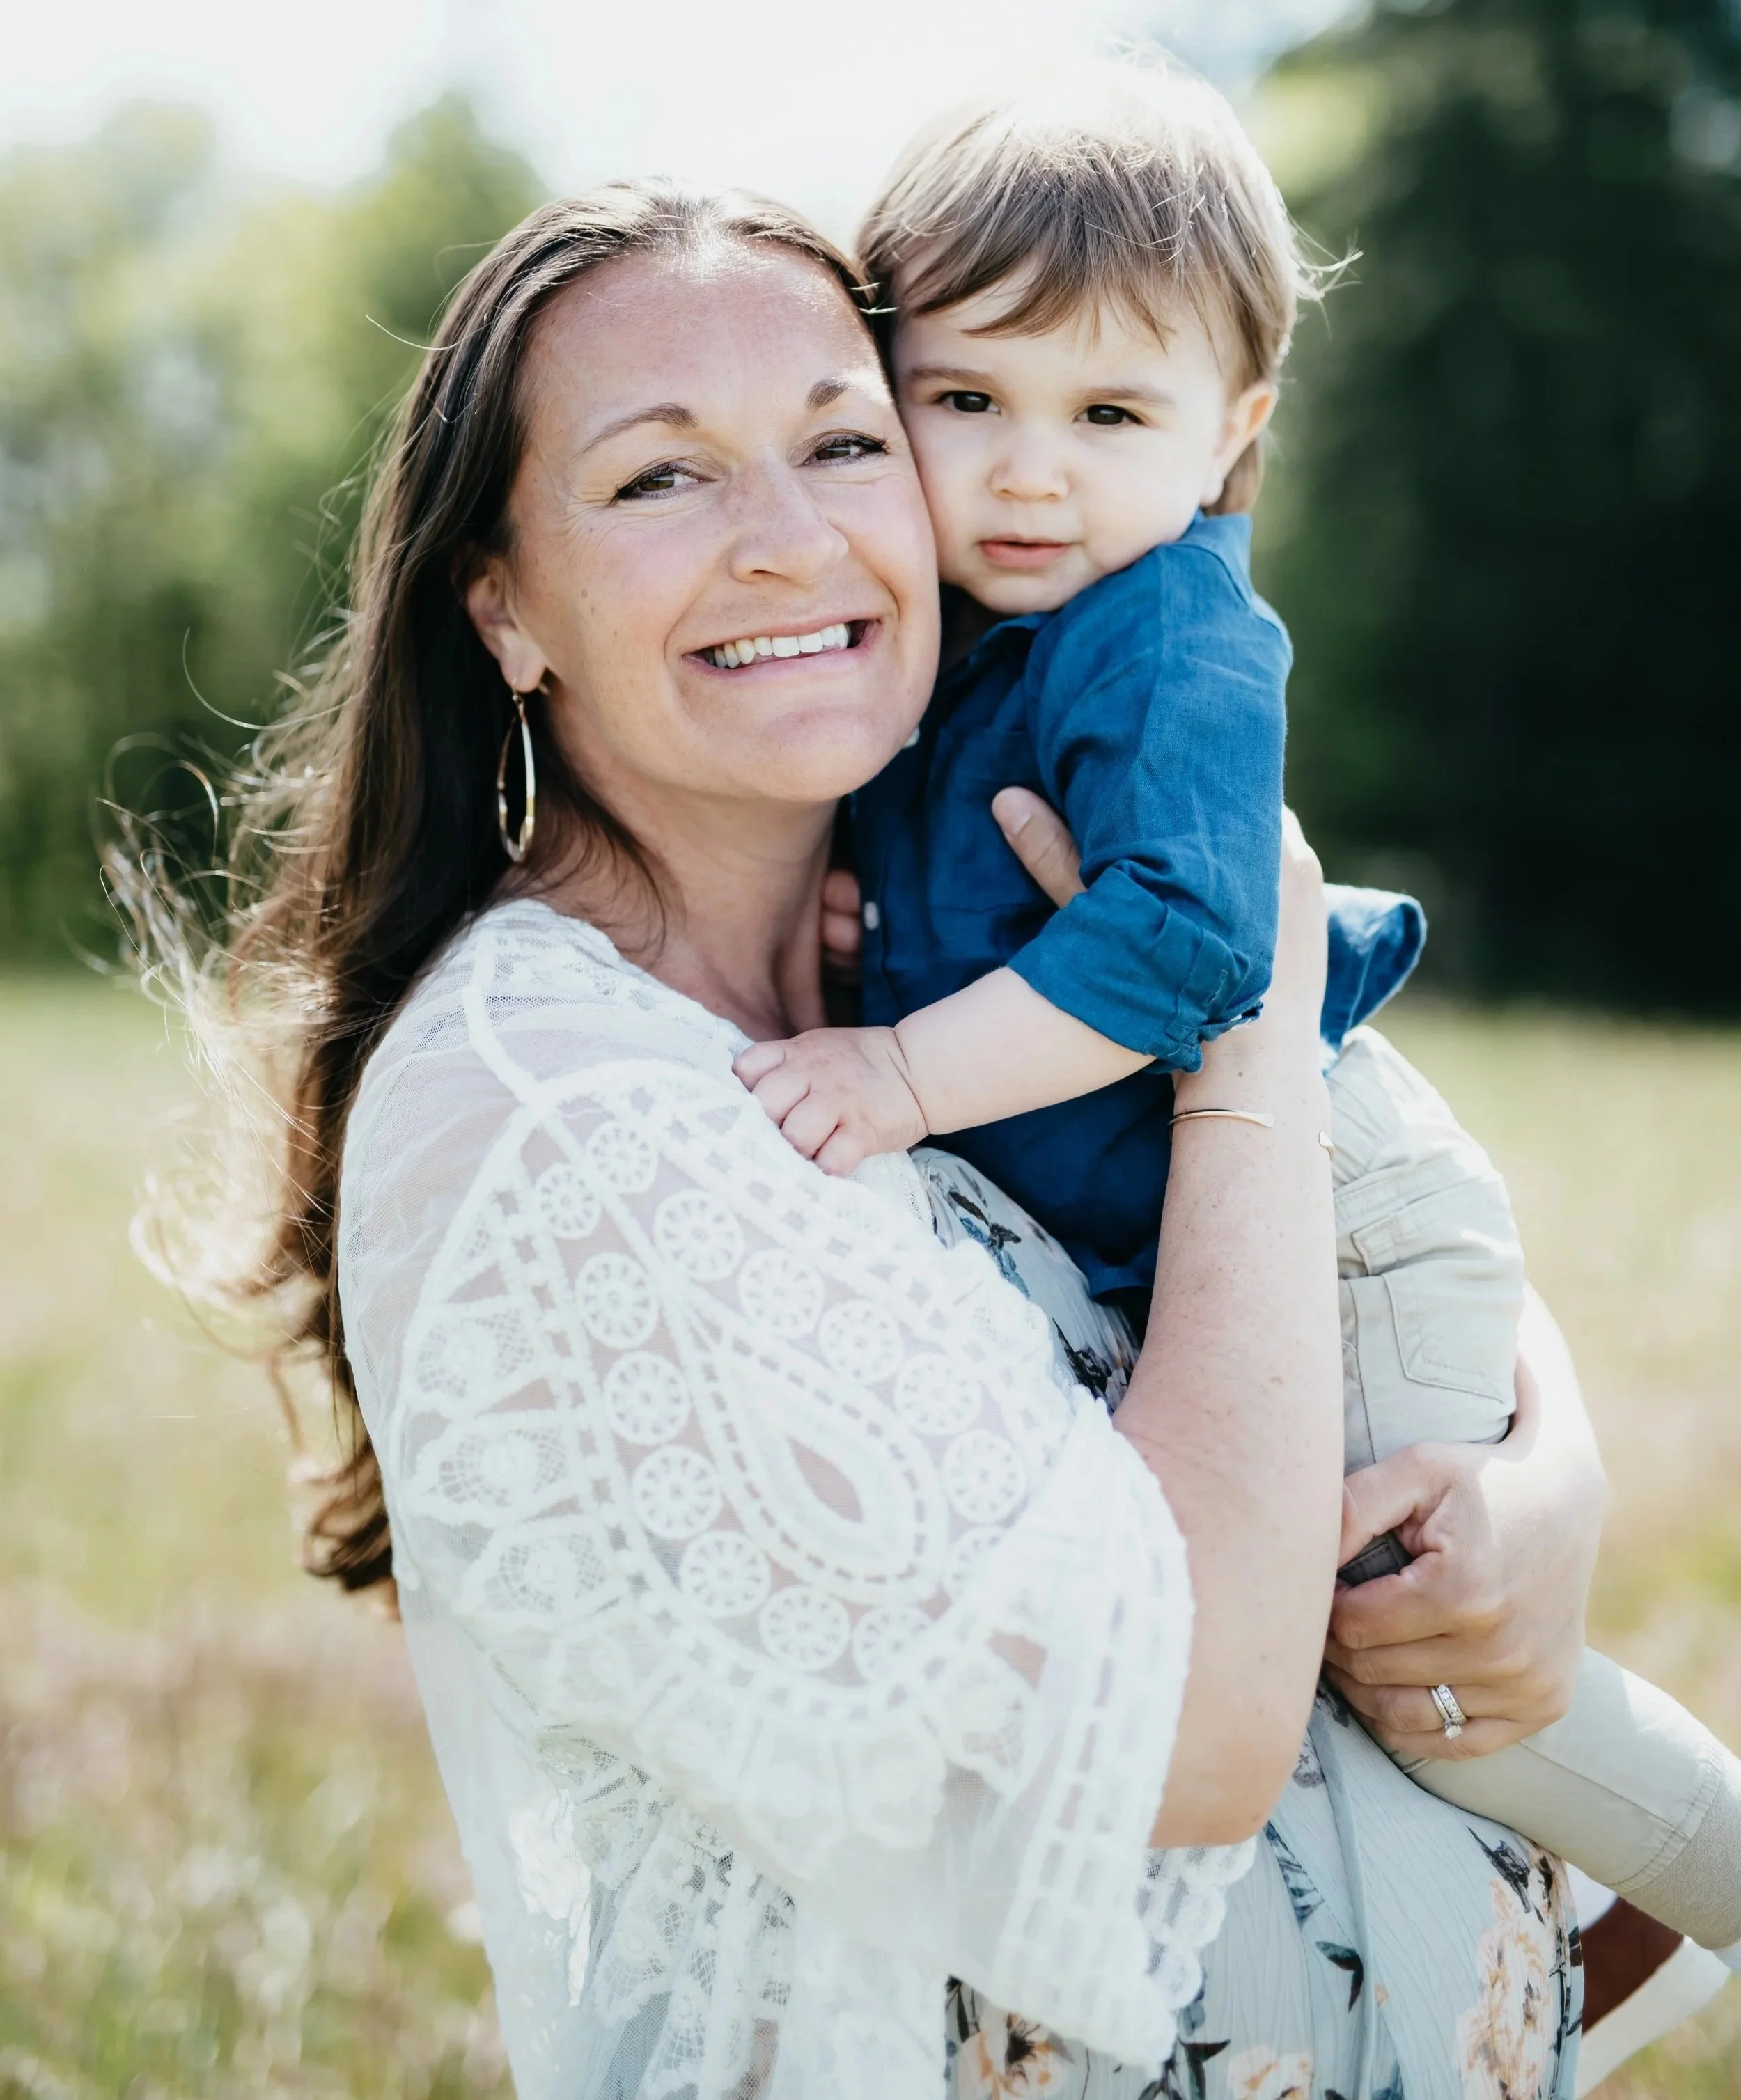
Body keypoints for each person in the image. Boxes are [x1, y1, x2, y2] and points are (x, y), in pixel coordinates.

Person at [130, 181, 1605, 2098]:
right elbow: (1180, 1733)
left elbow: (1344, 1240)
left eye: (843, 440)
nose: (789, 536)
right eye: (662, 479)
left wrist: (1541, 1481)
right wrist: (1237, 1015)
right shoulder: (564, 1102)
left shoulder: (948, 937)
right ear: (499, 605)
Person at [732, 63, 1741, 1966]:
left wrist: (896, 1060)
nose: (1030, 469)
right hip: (1227, 1191)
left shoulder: (1167, 629)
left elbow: (1194, 948)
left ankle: (1672, 1897)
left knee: (1421, 1658)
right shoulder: (968, 635)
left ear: (1232, 431)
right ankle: (1581, 1961)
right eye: (966, 398)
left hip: (1335, 1200)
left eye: (1108, 410)